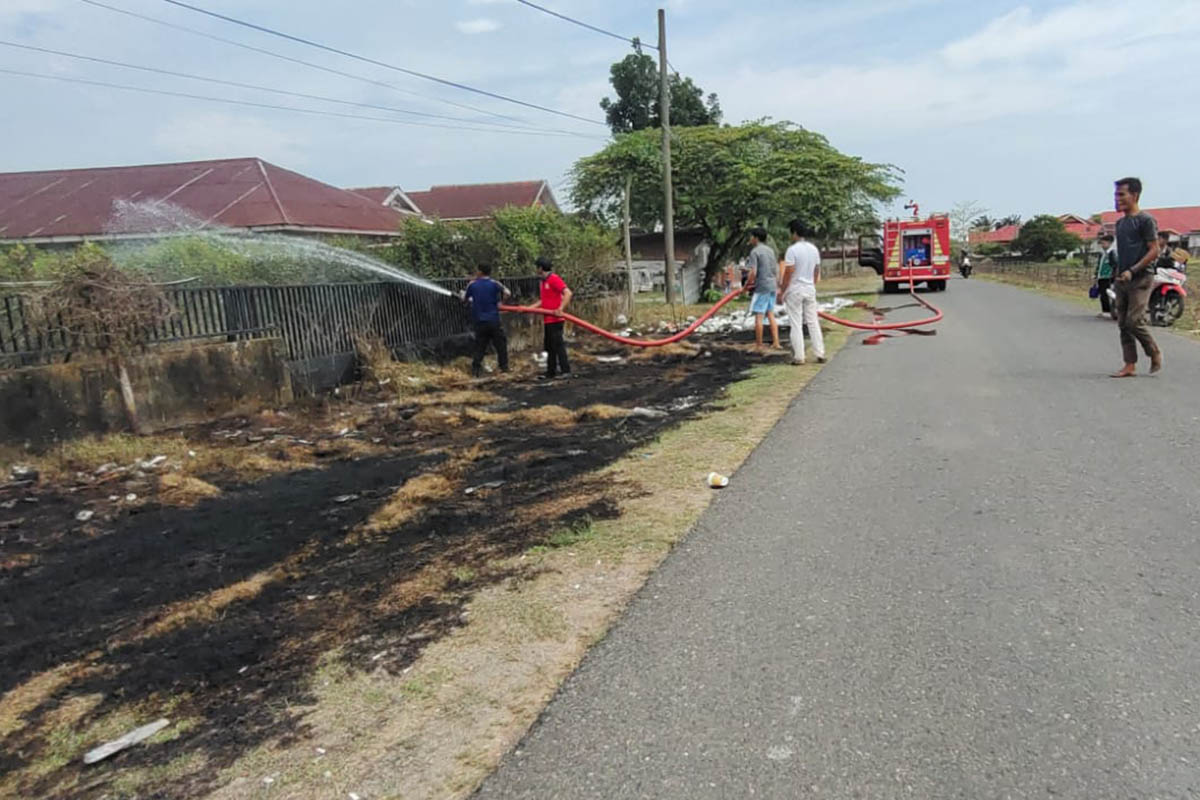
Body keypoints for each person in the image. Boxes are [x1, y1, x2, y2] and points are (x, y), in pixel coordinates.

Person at [1110, 177, 1162, 378]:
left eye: (1122, 194)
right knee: (1123, 323)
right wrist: (1119, 271)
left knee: (1134, 321)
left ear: (1135, 195)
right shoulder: (1120, 223)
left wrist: (1133, 269)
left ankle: (1153, 351)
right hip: (1122, 279)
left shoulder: (1145, 220)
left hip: (1141, 278)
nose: (1117, 199)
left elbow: (1154, 250)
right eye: (1116, 194)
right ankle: (1129, 364)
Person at [778, 218, 825, 366]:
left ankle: (799, 357)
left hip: (795, 289)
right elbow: (817, 269)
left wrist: (782, 291)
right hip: (809, 288)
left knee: (796, 324)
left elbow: (788, 272)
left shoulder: (792, 250)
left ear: (794, 232)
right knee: (813, 322)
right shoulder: (813, 249)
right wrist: (812, 281)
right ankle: (820, 353)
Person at [461, 264, 510, 378]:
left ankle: (476, 370)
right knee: (500, 344)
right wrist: (501, 303)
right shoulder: (494, 283)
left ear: (480, 272)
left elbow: (465, 299)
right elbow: (508, 292)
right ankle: (504, 367)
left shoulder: (472, 285)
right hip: (494, 320)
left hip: (479, 321)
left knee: (480, 346)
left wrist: (463, 296)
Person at [531, 256, 573, 380]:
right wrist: (529, 308)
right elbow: (543, 301)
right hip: (548, 319)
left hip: (556, 319)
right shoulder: (543, 282)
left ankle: (566, 371)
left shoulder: (554, 279)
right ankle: (551, 372)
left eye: (537, 267)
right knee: (550, 347)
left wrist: (560, 309)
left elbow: (568, 293)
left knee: (558, 346)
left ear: (540, 268)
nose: (536, 270)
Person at [745, 227, 781, 350]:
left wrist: (746, 286)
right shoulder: (770, 251)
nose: (750, 239)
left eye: (751, 236)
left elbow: (753, 272)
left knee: (759, 315)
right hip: (772, 285)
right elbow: (776, 269)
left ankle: (759, 344)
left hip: (762, 286)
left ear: (756, 238)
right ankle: (776, 342)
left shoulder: (755, 252)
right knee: (770, 314)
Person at [1094, 232, 1117, 318]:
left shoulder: (1112, 253)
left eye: (1104, 243)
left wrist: (1113, 275)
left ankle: (1108, 311)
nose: (1102, 245)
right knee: (1102, 294)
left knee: (1106, 294)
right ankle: (1104, 310)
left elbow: (1114, 265)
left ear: (1110, 243)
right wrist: (1096, 275)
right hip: (1102, 276)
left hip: (1108, 277)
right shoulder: (1103, 253)